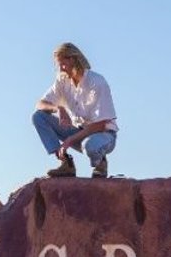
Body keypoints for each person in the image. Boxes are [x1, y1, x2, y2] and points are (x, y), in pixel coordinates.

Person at [32, 41, 119, 178]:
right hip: (77, 131)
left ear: (73, 59)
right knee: (39, 116)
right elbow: (39, 104)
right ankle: (66, 163)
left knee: (90, 145)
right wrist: (58, 108)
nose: (61, 69)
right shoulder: (62, 81)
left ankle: (100, 164)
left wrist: (69, 140)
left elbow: (101, 124)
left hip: (103, 135)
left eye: (63, 63)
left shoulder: (97, 82)